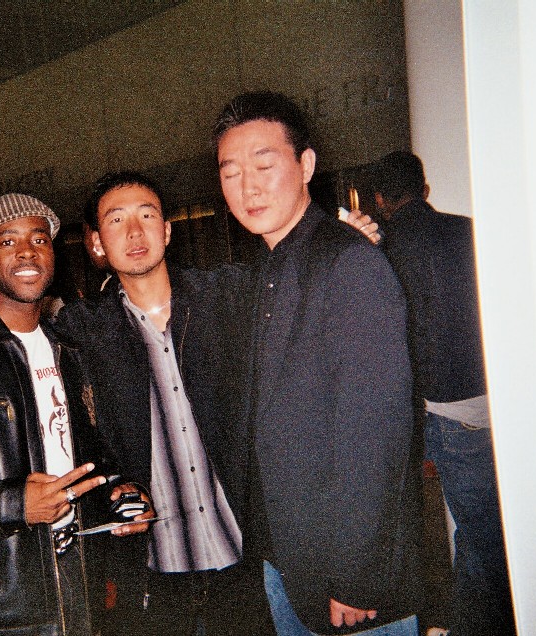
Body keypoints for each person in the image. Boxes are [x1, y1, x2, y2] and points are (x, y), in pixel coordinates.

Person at [0, 174, 276, 636]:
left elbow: (294, 283)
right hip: (146, 575)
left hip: (247, 562)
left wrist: (337, 242)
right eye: (117, 220)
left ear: (167, 230)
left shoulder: (226, 299)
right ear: (97, 244)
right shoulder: (81, 332)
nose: (135, 232)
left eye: (147, 215)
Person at [213, 90, 421, 636]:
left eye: (264, 165)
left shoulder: (348, 263)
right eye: (231, 173)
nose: (248, 187)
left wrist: (356, 575)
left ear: (305, 165)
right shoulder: (266, 270)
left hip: (347, 577)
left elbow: (375, 434)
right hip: (287, 559)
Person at [0, 193, 151, 636]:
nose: (27, 252)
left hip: (82, 580)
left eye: (39, 239)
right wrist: (15, 504)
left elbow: (89, 457)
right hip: (7, 601)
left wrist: (119, 491)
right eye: (8, 241)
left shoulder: (71, 351)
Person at [370, 151, 516, 636]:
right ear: (425, 190)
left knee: (476, 536)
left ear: (379, 200)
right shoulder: (470, 231)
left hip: (425, 409)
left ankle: (467, 623)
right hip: (481, 404)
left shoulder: (376, 251)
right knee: (483, 533)